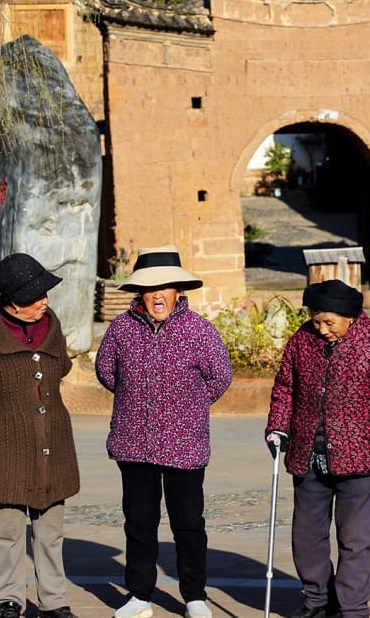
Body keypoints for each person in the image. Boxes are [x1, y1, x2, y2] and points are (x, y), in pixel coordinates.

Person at [95, 245, 233, 618]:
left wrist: (188, 406)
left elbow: (221, 376)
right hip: (133, 442)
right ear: (139, 292)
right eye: (150, 288)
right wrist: (136, 399)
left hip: (185, 444)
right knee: (139, 522)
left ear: (178, 291)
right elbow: (106, 372)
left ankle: (194, 597)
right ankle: (139, 596)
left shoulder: (198, 330)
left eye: (165, 287)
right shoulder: (122, 329)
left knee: (188, 524)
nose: (158, 295)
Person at [265, 279, 370, 618]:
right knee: (306, 537)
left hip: (359, 458)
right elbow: (285, 388)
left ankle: (352, 609)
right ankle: (317, 602)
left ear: (349, 316)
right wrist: (277, 427)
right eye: (317, 321)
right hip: (307, 455)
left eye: (329, 322)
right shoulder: (303, 340)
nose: (323, 329)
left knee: (355, 541)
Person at [0, 253, 80, 618]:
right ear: (11, 302)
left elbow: (62, 368)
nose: (44, 302)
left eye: (44, 294)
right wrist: (0, 420)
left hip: (52, 446)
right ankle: (9, 599)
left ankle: (54, 601)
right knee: (7, 532)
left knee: (50, 530)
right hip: (4, 452)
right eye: (35, 297)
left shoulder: (51, 326)